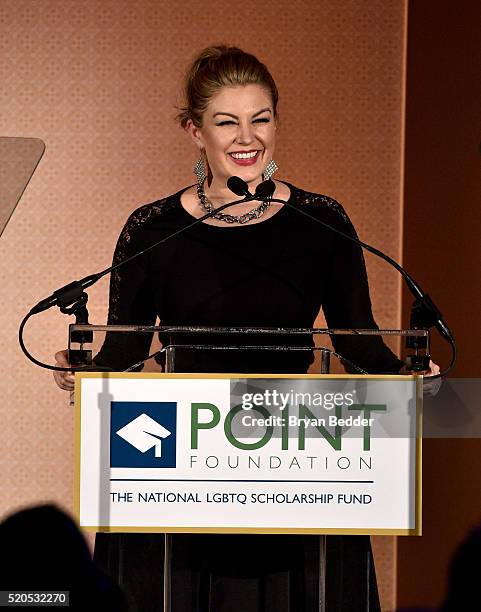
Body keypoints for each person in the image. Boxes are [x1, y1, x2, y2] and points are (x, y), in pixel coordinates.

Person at [53, 45, 439, 611]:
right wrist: (82, 373)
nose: (247, 137)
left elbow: (358, 339)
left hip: (297, 463)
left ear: (276, 123)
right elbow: (127, 350)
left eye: (261, 119)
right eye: (226, 121)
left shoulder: (320, 220)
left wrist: (410, 376)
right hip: (181, 472)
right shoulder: (153, 227)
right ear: (194, 130)